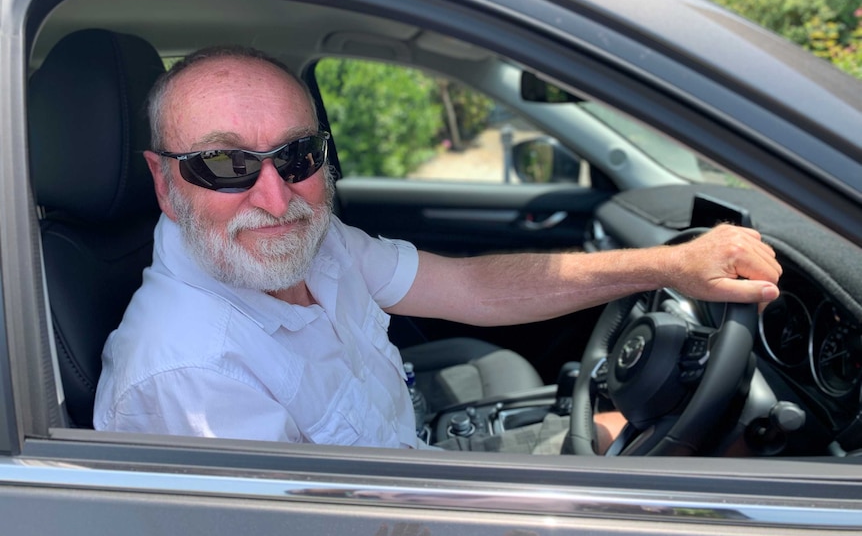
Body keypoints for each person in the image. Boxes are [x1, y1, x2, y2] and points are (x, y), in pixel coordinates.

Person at [93, 46, 782, 450]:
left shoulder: (315, 240)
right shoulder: (190, 376)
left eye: (298, 155)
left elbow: (471, 289)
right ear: (163, 178)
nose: (276, 200)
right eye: (225, 164)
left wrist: (669, 263)